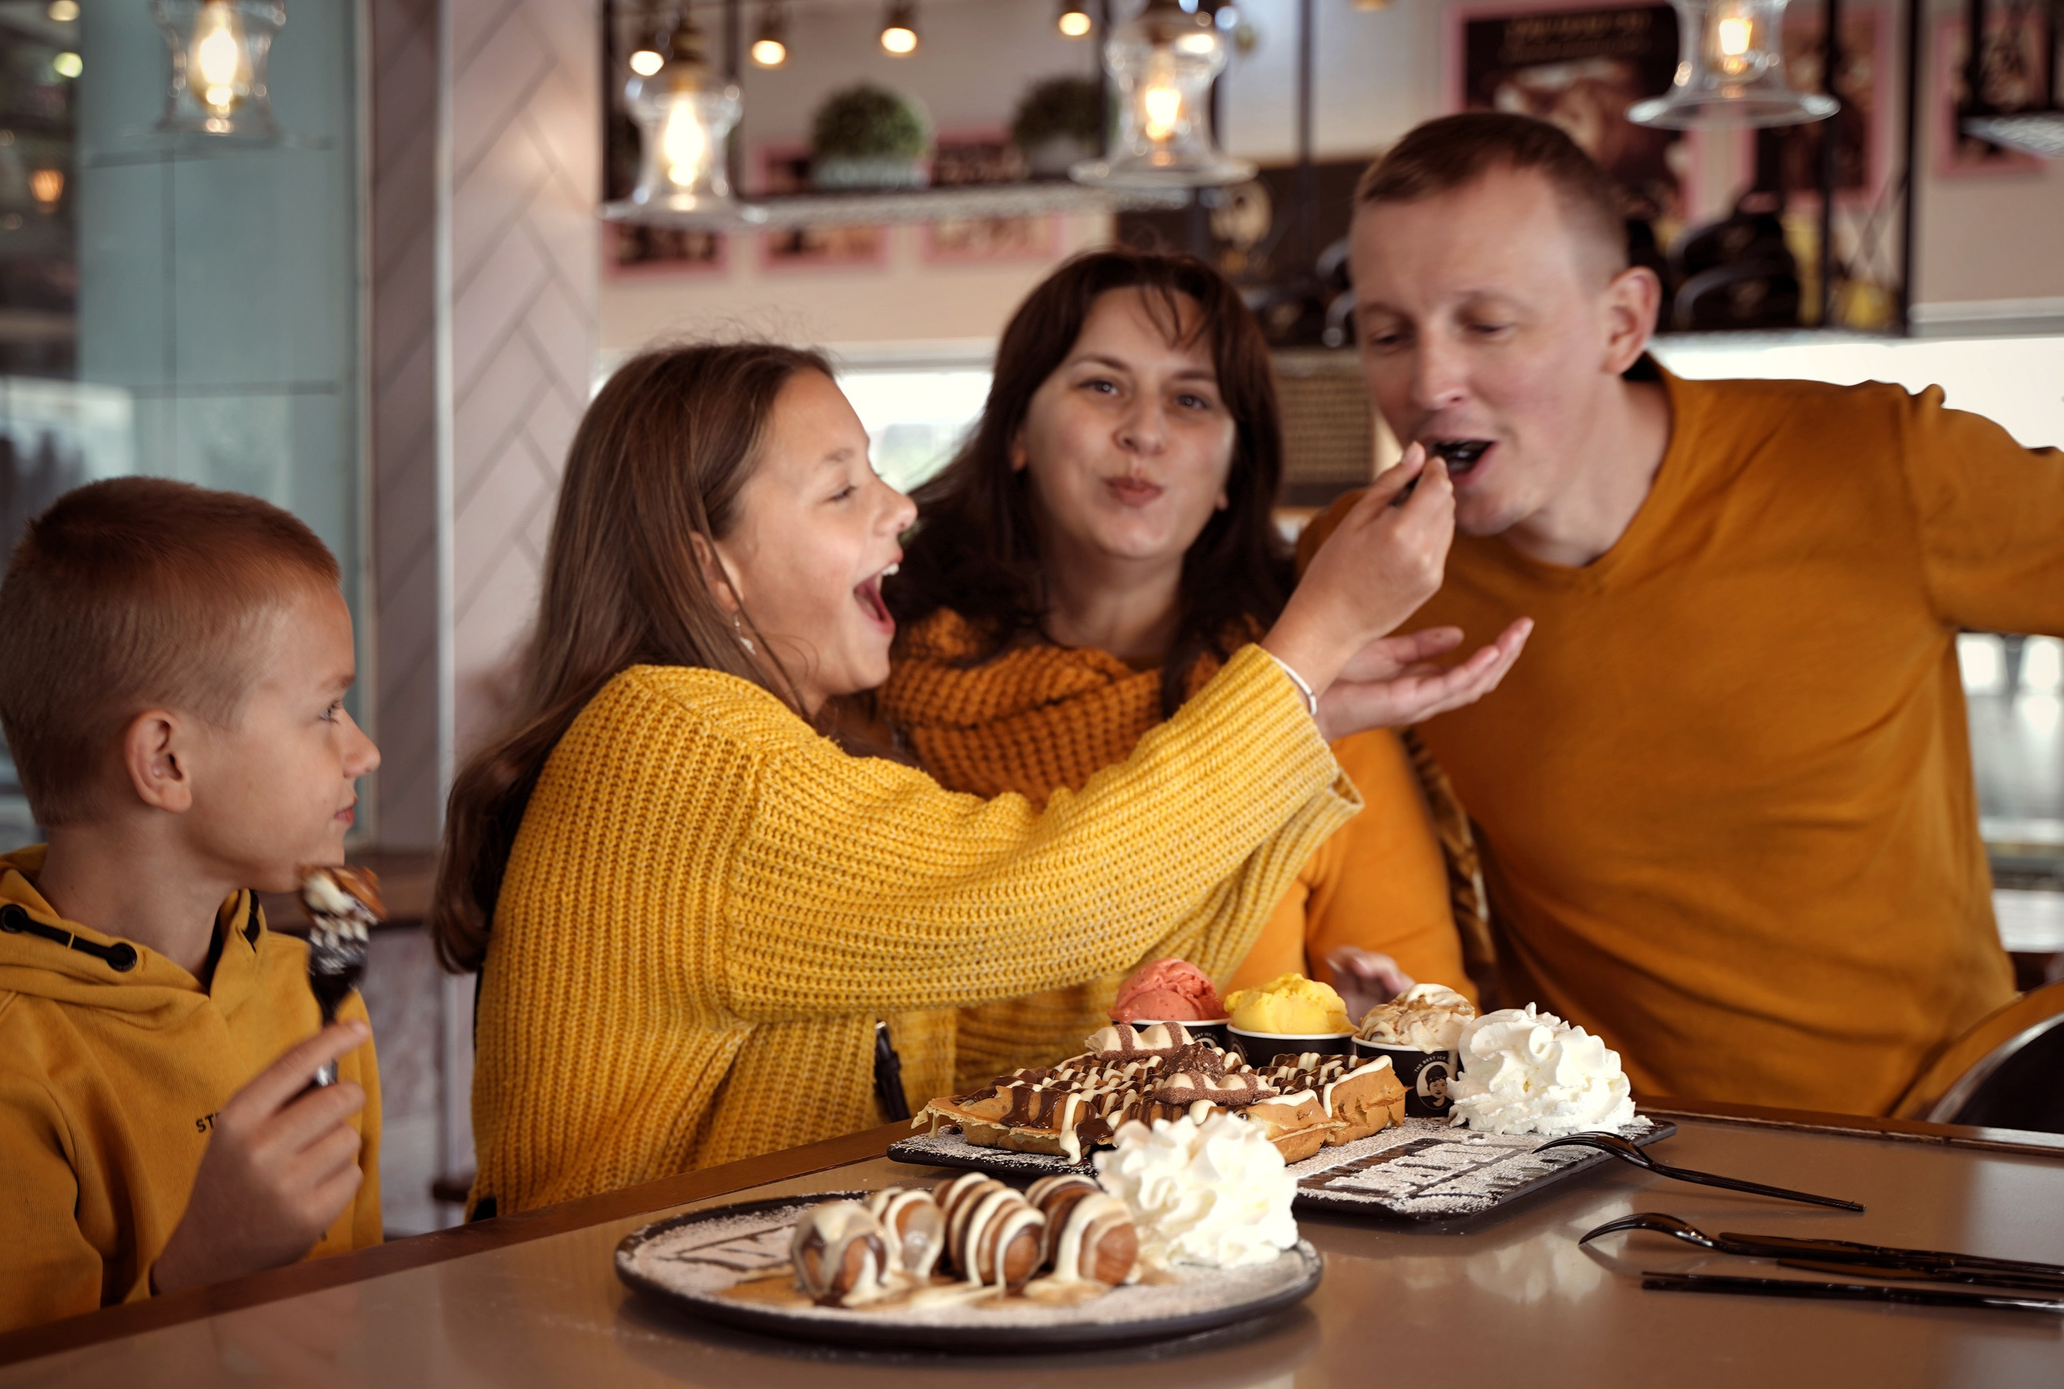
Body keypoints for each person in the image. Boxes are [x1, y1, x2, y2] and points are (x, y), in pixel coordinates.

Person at [1307, 110, 2064, 1117]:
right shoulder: (1362, 568)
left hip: (1936, 1149)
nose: (1428, 380)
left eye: (1486, 324)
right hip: (1604, 1180)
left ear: (1620, 322)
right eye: (1387, 332)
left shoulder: (1874, 466)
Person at [434, 342, 1527, 1215]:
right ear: (704, 568)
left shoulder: (768, 756)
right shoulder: (677, 745)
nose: (900, 507)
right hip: (630, 1380)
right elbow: (1062, 893)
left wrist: (1309, 709)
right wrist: (1313, 635)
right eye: (840, 489)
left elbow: (1061, 1003)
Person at [0, 478, 384, 1369]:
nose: (362, 750)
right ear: (164, 758)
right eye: (325, 709)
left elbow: (354, 1333)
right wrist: (201, 1272)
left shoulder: (307, 999)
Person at [880, 251, 1478, 1087]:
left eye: (1191, 399)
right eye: (1102, 385)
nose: (1145, 431)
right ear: (1016, 430)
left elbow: (1443, 1029)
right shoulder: (879, 693)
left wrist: (1363, 1035)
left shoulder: (1325, 714)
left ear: (1237, 467)